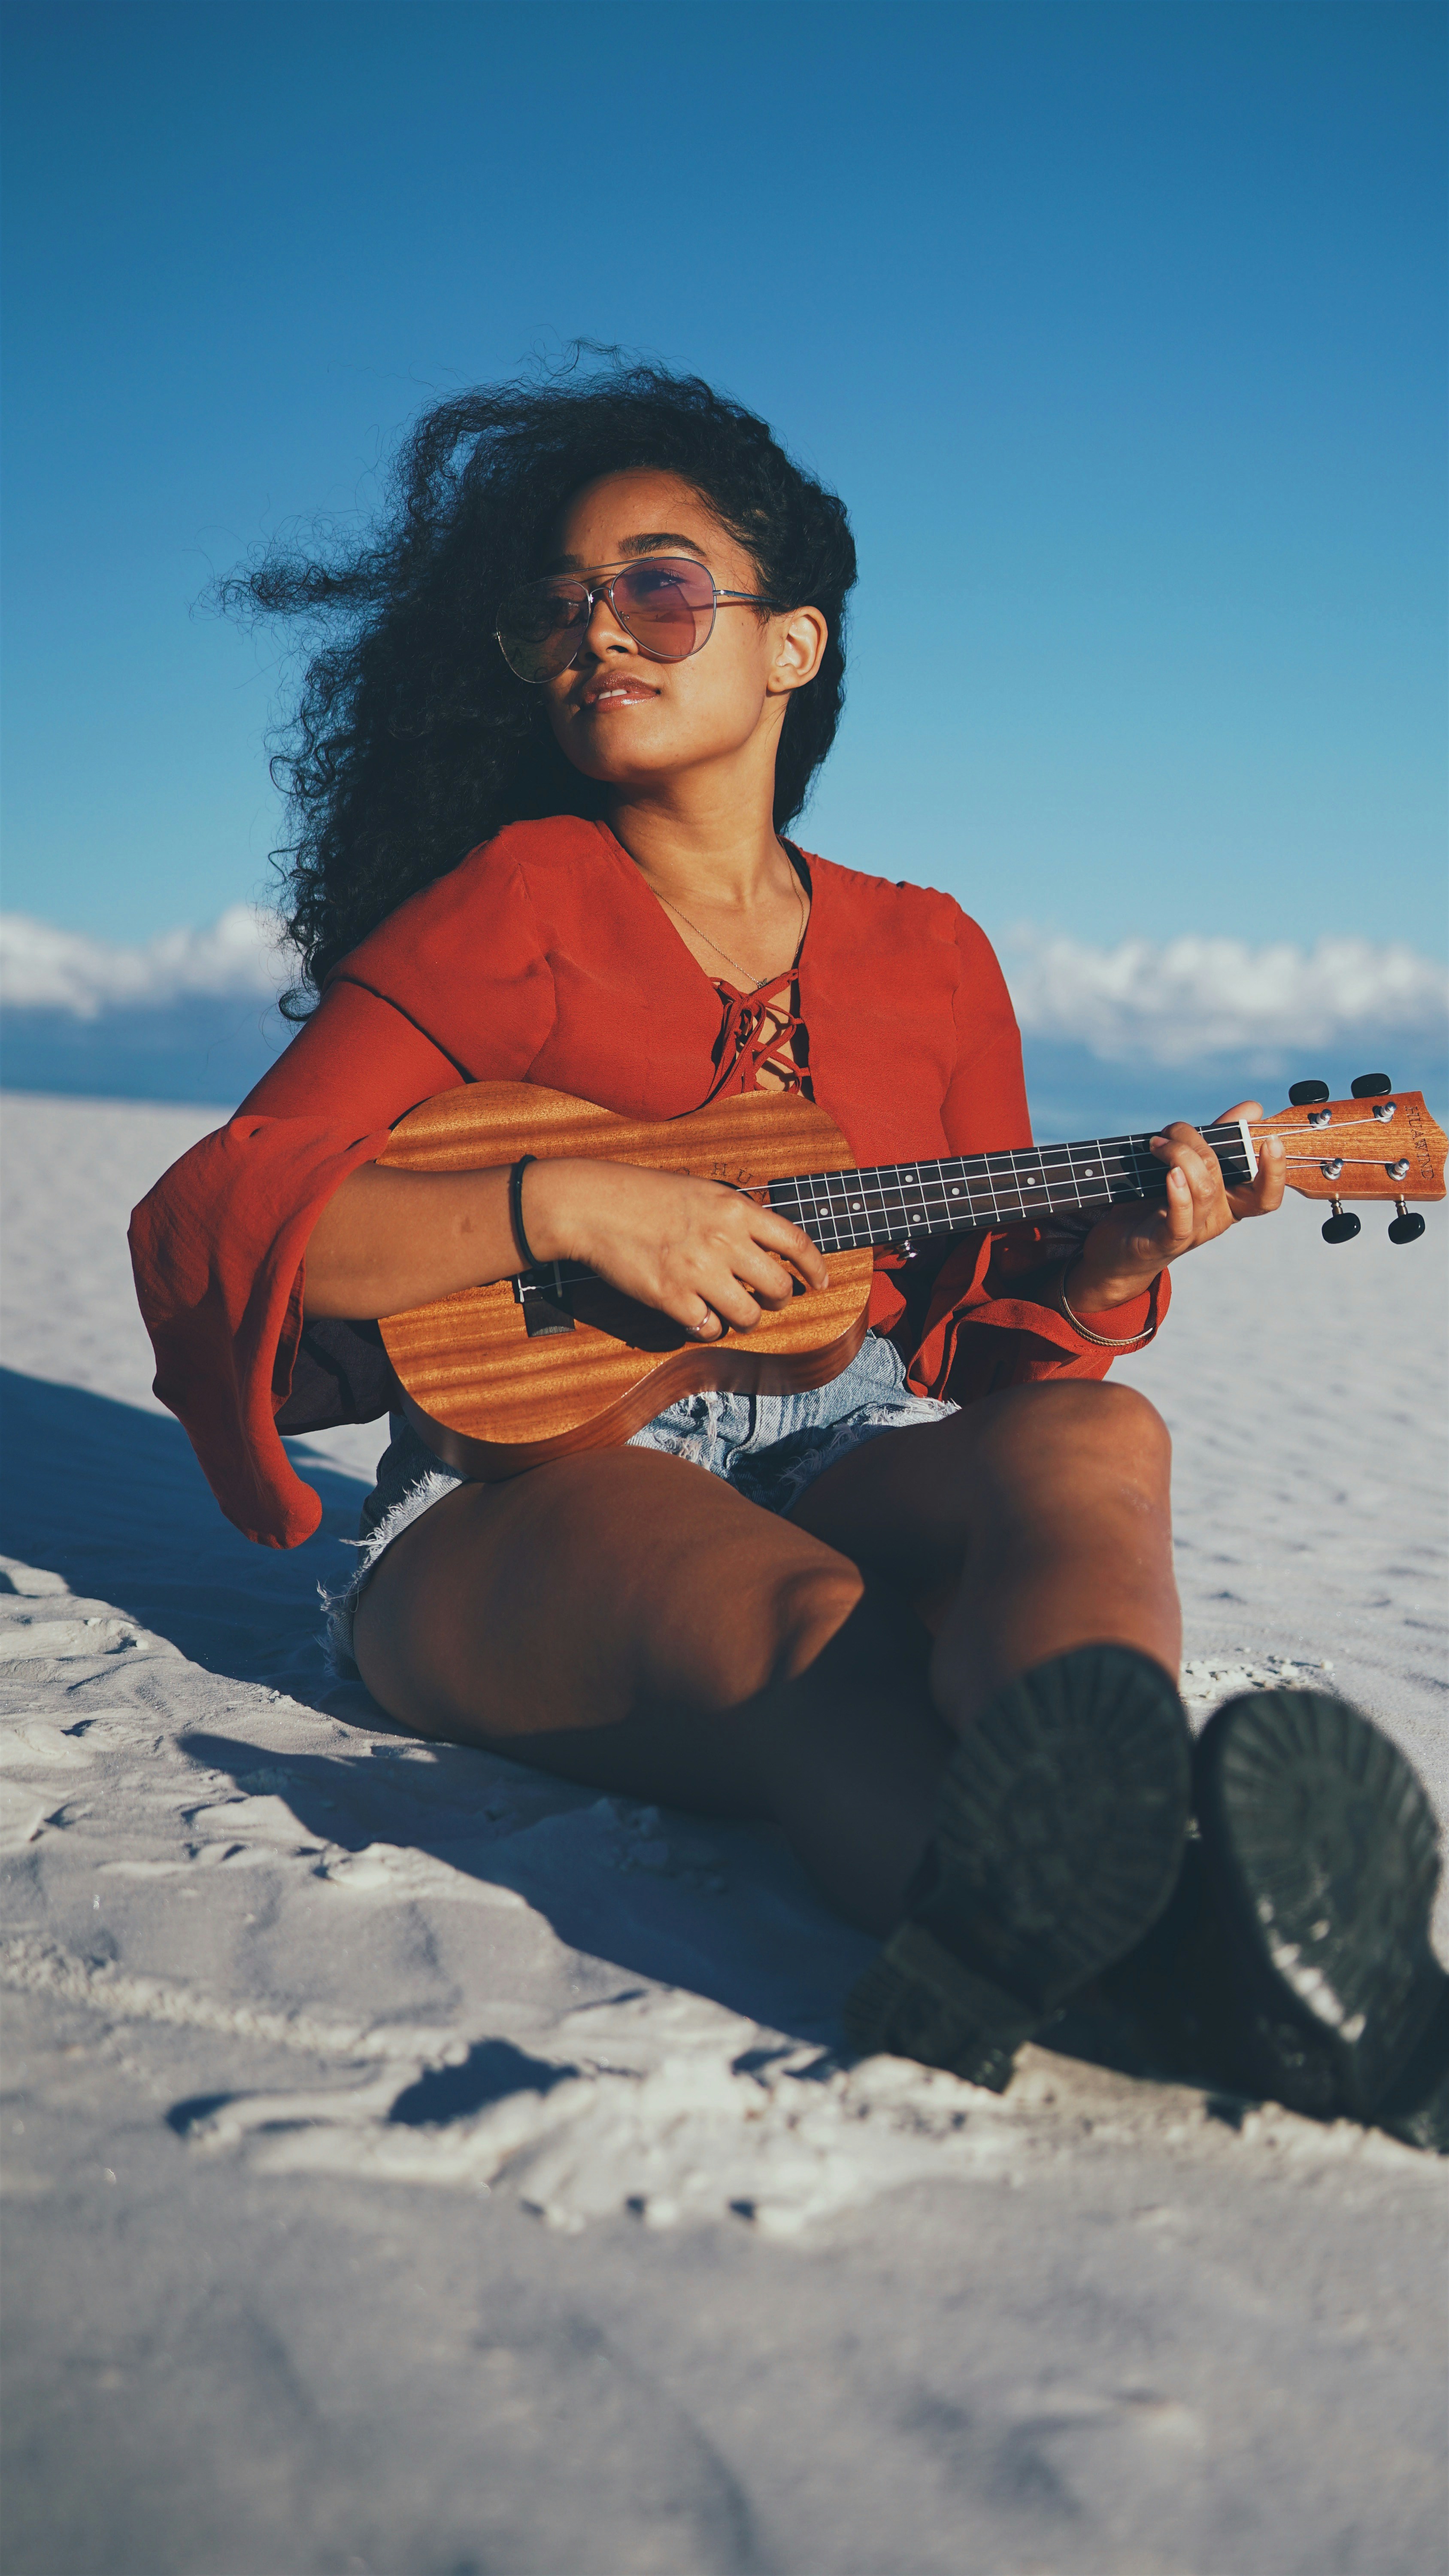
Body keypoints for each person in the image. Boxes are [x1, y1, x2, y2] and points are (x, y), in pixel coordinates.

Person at [130, 358, 1447, 2150]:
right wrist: (569, 1206)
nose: (601, 632)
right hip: (523, 1495)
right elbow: (222, 1217)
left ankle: (1104, 1844)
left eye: (657, 587)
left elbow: (992, 1351)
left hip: (835, 1448)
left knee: (1095, 1444)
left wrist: (1108, 1257)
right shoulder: (509, 907)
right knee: (816, 1629)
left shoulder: (931, 956)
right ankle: (1240, 1971)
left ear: (791, 647)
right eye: (559, 610)